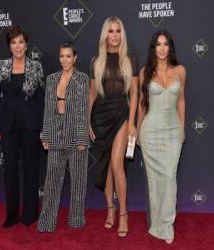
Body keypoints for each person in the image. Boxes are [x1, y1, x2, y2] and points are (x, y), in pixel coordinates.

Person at [0, 25, 44, 228]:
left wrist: (42, 127)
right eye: (14, 42)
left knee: (31, 169)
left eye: (21, 41)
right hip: (8, 126)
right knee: (10, 170)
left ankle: (30, 215)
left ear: (26, 44)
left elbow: (41, 100)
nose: (18, 46)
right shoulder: (0, 66)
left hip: (31, 126)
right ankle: (12, 216)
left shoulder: (36, 67)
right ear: (9, 45)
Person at [89, 16, 138, 238]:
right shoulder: (95, 61)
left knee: (117, 164)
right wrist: (87, 120)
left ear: (122, 33)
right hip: (100, 117)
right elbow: (92, 94)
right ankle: (110, 209)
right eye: (111, 31)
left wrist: (133, 123)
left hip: (121, 116)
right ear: (105, 34)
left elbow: (135, 93)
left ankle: (124, 214)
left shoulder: (129, 59)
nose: (115, 35)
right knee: (106, 166)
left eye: (118, 31)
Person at [138, 30, 186, 244]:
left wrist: (183, 128)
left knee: (169, 177)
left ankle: (167, 224)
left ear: (170, 47)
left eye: (166, 44)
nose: (162, 48)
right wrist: (136, 130)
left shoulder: (180, 71)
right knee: (154, 180)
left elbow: (181, 101)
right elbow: (141, 104)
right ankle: (157, 224)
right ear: (153, 48)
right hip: (150, 131)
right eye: (158, 44)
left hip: (173, 130)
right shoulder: (144, 72)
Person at [37, 42, 89, 232]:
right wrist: (46, 135)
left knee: (78, 182)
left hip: (76, 136)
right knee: (51, 182)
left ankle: (76, 219)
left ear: (75, 58)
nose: (65, 59)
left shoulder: (82, 79)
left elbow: (84, 109)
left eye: (68, 56)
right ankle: (47, 222)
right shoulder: (51, 79)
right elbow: (48, 111)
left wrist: (83, 138)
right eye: (62, 56)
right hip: (56, 136)